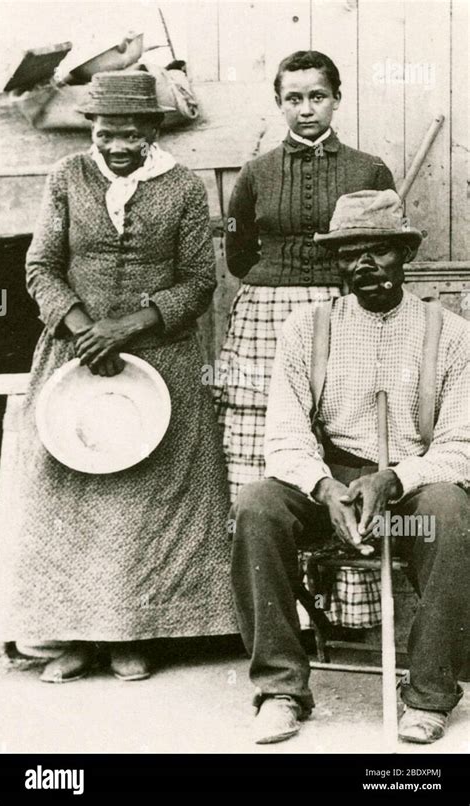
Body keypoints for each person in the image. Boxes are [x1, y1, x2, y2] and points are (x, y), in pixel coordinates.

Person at [0, 72, 236, 682]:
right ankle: (74, 637)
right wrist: (84, 330)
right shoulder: (67, 179)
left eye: (130, 134)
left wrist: (125, 328)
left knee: (143, 501)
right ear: (92, 131)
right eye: (106, 134)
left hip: (159, 359)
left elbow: (198, 282)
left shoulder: (181, 186)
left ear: (153, 130)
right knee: (69, 493)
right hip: (75, 359)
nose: (117, 146)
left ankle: (135, 634)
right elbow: (41, 267)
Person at [230, 189, 469, 745]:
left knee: (451, 511)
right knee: (256, 504)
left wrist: (395, 479)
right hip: (332, 494)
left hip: (408, 499)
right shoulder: (305, 329)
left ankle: (430, 695)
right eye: (348, 253)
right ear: (335, 262)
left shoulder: (452, 335)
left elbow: (459, 445)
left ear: (404, 254)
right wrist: (322, 487)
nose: (363, 265)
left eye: (378, 250)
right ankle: (281, 689)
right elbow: (285, 437)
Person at [215, 50, 396, 630]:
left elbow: (382, 247)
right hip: (267, 314)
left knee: (342, 437)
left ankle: (350, 607)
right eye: (293, 98)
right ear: (279, 104)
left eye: (317, 96)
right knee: (262, 447)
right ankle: (276, 606)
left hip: (346, 311)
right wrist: (281, 286)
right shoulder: (256, 173)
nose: (306, 108)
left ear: (337, 99)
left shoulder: (369, 170)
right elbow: (240, 253)